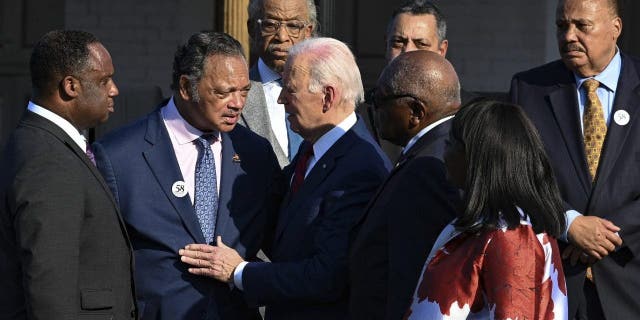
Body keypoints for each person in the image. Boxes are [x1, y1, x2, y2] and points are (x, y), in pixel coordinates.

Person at [179, 37, 391, 319]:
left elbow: (326, 276)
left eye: (290, 90)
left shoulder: (360, 168)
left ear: (328, 96)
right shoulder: (314, 146)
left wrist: (239, 271)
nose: (280, 99)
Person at [92, 32, 281, 319]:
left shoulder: (255, 153)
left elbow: (283, 241)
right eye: (223, 92)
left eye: (244, 91)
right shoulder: (119, 156)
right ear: (185, 87)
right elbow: (98, 262)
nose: (237, 103)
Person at [509, 0, 637, 318]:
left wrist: (604, 236)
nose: (568, 36)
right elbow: (516, 174)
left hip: (631, 279)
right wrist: (569, 223)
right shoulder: (529, 90)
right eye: (562, 25)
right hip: (557, 285)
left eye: (582, 25)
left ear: (615, 29)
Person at [0, 30, 136, 319]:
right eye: (104, 80)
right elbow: (48, 281)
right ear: (70, 86)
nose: (114, 90)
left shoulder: (46, 144)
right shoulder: (46, 158)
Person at [405, 100, 568, 319]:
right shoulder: (486, 224)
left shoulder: (512, 234)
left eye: (451, 143)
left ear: (477, 156)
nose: (444, 154)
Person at [349, 50, 461, 320]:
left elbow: (410, 276)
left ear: (415, 112)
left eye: (381, 98)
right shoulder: (439, 150)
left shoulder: (429, 168)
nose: (374, 107)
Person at [359, 0, 475, 162]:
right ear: (386, 45)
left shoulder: (471, 116)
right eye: (398, 42)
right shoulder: (361, 113)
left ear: (442, 50)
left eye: (421, 44)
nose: (407, 52)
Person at [240, 0, 317, 167]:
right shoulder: (232, 97)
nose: (282, 36)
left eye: (293, 26)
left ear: (308, 31)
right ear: (252, 28)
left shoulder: (330, 92)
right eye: (270, 25)